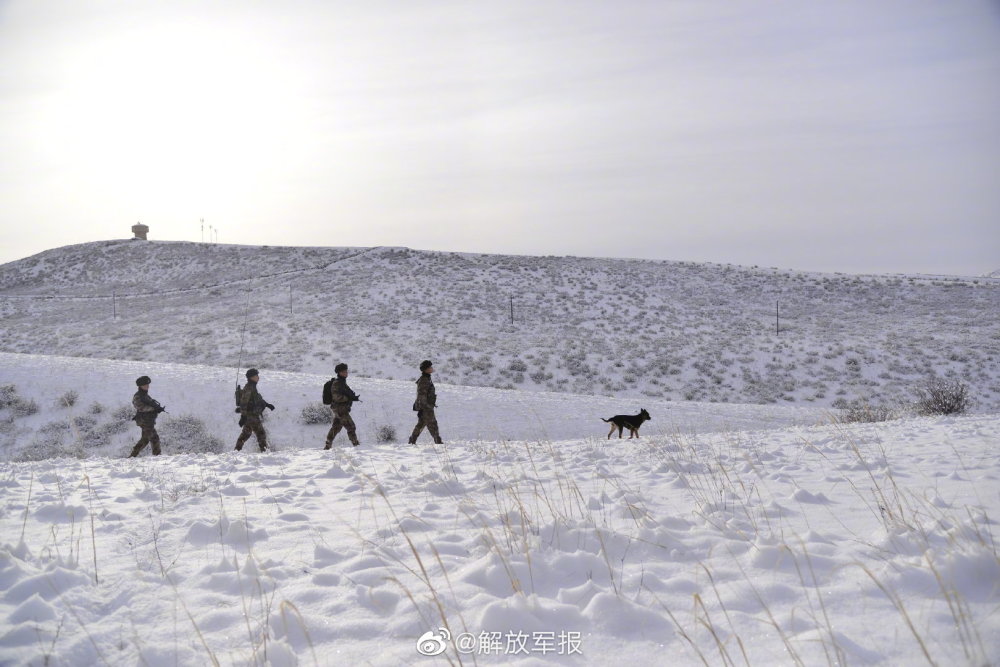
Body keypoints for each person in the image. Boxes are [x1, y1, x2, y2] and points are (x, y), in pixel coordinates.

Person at [236, 368, 273, 452]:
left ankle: (236, 451)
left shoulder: (252, 387)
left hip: (250, 416)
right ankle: (264, 452)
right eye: (256, 375)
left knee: (245, 435)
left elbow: (257, 399)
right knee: (261, 434)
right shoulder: (249, 388)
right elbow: (244, 402)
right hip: (251, 416)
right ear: (251, 377)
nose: (258, 377)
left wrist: (267, 405)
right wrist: (243, 416)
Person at [325, 362, 361, 448]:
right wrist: (348, 398)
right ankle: (356, 446)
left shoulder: (342, 382)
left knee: (336, 427)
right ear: (339, 373)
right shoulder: (337, 383)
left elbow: (347, 394)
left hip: (340, 408)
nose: (346, 373)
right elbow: (337, 397)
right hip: (340, 408)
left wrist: (353, 397)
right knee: (351, 426)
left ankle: (327, 446)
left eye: (346, 371)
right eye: (344, 371)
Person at [408, 360, 442, 444]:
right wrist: (423, 408)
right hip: (426, 407)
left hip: (427, 406)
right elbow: (421, 395)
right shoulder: (424, 380)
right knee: (433, 424)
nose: (432, 368)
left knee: (421, 424)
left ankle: (412, 441)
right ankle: (438, 442)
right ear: (426, 369)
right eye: (430, 367)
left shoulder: (427, 378)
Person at [130, 375, 164, 457]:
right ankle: (156, 456)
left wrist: (157, 408)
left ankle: (133, 456)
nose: (147, 386)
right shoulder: (138, 396)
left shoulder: (145, 395)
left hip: (148, 420)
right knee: (150, 438)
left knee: (149, 439)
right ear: (140, 386)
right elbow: (140, 407)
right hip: (144, 420)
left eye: (148, 385)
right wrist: (153, 409)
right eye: (145, 385)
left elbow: (150, 404)